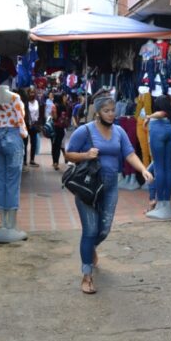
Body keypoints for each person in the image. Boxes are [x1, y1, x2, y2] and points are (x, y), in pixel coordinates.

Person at [65, 91, 154, 294]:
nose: (111, 114)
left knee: (103, 230)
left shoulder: (119, 131)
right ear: (98, 112)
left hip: (110, 185)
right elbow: (69, 153)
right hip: (88, 186)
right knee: (90, 230)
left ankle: (90, 248)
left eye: (113, 110)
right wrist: (86, 154)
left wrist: (143, 169)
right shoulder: (85, 131)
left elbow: (129, 153)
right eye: (107, 111)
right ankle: (87, 275)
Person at [144, 95, 171, 220]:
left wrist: (148, 117)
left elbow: (161, 113)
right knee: (168, 168)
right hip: (170, 131)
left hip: (157, 131)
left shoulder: (159, 115)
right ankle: (167, 204)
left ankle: (161, 204)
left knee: (159, 168)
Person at [50, 93, 70, 170]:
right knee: (59, 145)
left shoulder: (54, 106)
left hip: (54, 128)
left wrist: (52, 114)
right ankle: (57, 162)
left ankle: (55, 162)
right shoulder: (64, 106)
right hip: (61, 128)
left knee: (54, 145)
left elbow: (54, 117)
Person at [26, 86, 43, 167]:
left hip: (34, 124)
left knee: (34, 143)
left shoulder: (37, 102)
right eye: (30, 92)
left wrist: (38, 122)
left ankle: (32, 160)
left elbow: (39, 113)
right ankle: (24, 160)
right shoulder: (26, 102)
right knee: (25, 143)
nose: (32, 94)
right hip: (26, 124)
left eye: (33, 92)